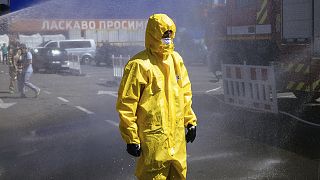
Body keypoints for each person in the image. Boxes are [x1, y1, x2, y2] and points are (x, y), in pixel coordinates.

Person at [116, 14, 197, 180]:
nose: (167, 38)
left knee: (178, 175)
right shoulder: (139, 65)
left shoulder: (176, 60)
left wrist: (190, 121)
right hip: (153, 140)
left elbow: (185, 93)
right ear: (153, 34)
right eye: (163, 34)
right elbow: (127, 104)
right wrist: (131, 138)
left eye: (169, 34)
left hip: (176, 139)